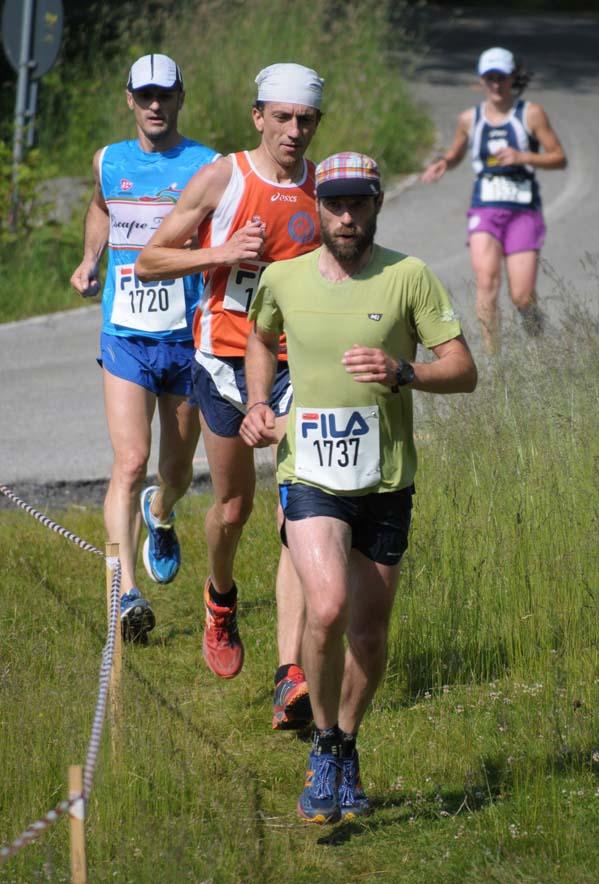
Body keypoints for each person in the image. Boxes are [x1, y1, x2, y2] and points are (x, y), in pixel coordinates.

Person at [240, 151, 478, 823]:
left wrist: (405, 371)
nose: (346, 216)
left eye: (359, 203)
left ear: (378, 204)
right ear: (317, 205)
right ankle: (320, 744)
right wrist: (259, 403)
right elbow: (259, 337)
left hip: (385, 479)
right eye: (335, 203)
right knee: (325, 608)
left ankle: (346, 740)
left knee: (369, 638)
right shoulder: (283, 278)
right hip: (309, 472)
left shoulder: (409, 277)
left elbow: (462, 370)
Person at [136, 64, 324, 727]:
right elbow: (150, 260)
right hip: (221, 362)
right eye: (282, 118)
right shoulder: (225, 178)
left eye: (305, 121)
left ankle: (290, 675)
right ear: (258, 118)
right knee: (235, 508)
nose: (293, 132)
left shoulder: (322, 189)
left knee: (296, 516)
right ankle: (220, 598)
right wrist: (219, 256)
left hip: (296, 365)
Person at [70, 54, 219, 641]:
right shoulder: (109, 160)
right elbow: (101, 207)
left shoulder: (209, 166)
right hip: (125, 333)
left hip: (187, 339)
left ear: (180, 97)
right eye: (145, 96)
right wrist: (89, 259)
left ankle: (161, 511)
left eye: (165, 95)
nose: (155, 105)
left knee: (175, 470)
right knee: (129, 461)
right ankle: (125, 595)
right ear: (129, 100)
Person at [421, 47, 567, 354]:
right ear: (481, 81)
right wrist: (444, 162)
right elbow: (458, 152)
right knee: (486, 281)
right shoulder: (469, 119)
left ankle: (534, 326)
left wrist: (523, 156)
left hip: (523, 210)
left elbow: (559, 158)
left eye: (502, 77)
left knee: (522, 296)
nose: (496, 85)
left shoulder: (531, 114)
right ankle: (493, 356)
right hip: (485, 208)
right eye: (490, 78)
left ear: (513, 77)